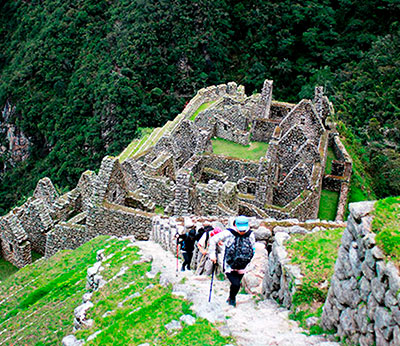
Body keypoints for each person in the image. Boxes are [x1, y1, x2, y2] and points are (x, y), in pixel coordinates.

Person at [208, 216, 256, 307]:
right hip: (229, 264)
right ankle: (232, 300)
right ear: (235, 225)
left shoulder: (250, 234)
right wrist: (212, 255)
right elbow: (213, 239)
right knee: (236, 283)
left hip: (243, 264)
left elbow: (253, 247)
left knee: (236, 284)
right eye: (240, 229)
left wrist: (248, 258)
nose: (242, 231)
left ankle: (231, 296)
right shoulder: (229, 233)